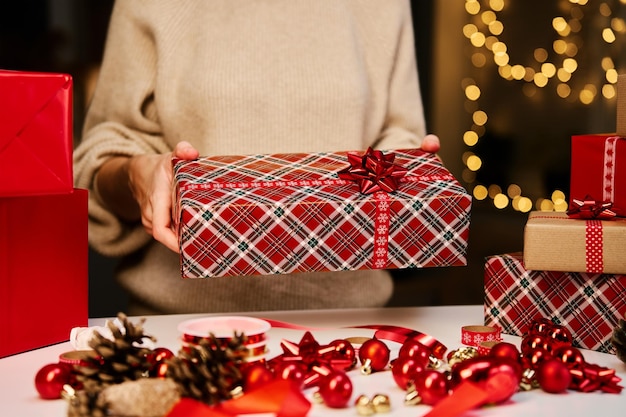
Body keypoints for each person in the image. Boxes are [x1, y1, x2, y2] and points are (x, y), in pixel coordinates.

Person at [73, 0, 441, 315]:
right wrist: (137, 174)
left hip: (352, 331)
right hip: (179, 332)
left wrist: (406, 171)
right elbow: (98, 160)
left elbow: (398, 137)